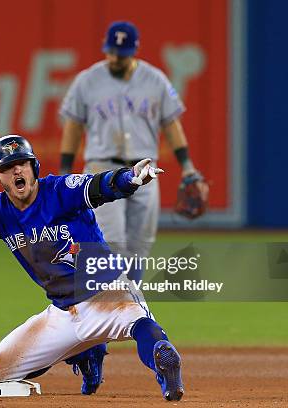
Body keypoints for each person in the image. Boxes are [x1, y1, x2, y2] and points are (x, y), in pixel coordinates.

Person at [0, 134, 184, 401]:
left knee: (141, 325)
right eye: (8, 167)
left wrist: (131, 177)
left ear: (35, 167)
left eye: (23, 163)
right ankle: (86, 352)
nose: (17, 170)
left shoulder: (59, 191)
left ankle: (167, 371)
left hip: (108, 295)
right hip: (63, 314)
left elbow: (100, 186)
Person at [59, 21, 206, 276]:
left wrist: (187, 166)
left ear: (134, 51)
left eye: (121, 54)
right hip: (102, 168)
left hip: (146, 171)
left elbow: (172, 125)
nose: (114, 58)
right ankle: (111, 306)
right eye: (111, 52)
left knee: (140, 246)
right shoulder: (87, 80)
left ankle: (131, 304)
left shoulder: (155, 79)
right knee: (111, 243)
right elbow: (73, 127)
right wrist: (65, 171)